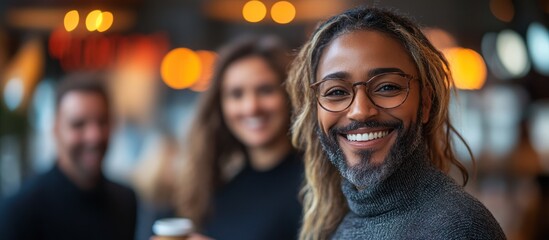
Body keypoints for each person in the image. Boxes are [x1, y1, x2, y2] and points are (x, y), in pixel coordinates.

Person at [285, 7, 506, 239]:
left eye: (387, 87)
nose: (360, 112)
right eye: (336, 91)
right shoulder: (339, 221)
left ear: (426, 103)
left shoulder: (460, 227)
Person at [171, 36, 303, 240]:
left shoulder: (316, 185)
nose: (251, 107)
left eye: (265, 90)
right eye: (236, 94)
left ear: (290, 95)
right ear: (220, 106)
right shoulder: (219, 189)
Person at [0, 73, 137, 240]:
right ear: (56, 130)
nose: (94, 136)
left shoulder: (125, 201)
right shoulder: (19, 210)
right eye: (78, 124)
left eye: (102, 122)